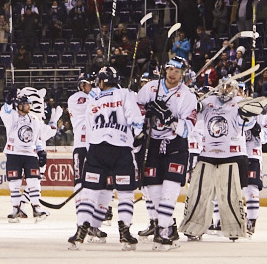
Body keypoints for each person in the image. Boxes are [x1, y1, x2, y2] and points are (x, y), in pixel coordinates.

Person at [67, 66, 144, 251]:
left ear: (101, 82)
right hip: (121, 149)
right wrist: (137, 138)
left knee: (89, 193)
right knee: (125, 194)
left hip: (96, 150)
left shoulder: (92, 101)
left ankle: (80, 232)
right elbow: (136, 121)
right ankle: (125, 233)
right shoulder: (126, 94)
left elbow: (89, 128)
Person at [180, 77, 257, 242]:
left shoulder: (240, 102)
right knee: (198, 192)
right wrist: (195, 102)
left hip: (229, 155)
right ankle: (194, 227)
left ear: (235, 88)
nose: (225, 89)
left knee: (230, 194)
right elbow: (194, 115)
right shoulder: (209, 100)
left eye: (229, 86)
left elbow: (249, 125)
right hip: (207, 153)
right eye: (223, 86)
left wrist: (248, 114)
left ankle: (234, 228)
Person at [135, 56, 198, 247]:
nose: (172, 74)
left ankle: (162, 230)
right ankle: (169, 225)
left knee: (170, 191)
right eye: (170, 69)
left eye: (177, 71)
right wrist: (146, 112)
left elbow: (189, 129)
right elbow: (134, 112)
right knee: (153, 191)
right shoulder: (150, 89)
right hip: (152, 144)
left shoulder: (188, 96)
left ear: (182, 74)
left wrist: (170, 119)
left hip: (176, 146)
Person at [0, 89, 51, 223]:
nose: (29, 106)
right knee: (14, 184)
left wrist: (41, 151)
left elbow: (37, 138)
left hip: (30, 154)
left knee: (34, 182)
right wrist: (8, 102)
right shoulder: (11, 116)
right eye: (26, 104)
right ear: (19, 105)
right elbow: (4, 111)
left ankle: (36, 208)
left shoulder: (34, 119)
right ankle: (16, 209)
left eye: (29, 104)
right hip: (13, 154)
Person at [66, 73, 105, 241]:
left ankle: (94, 224)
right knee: (80, 183)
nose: (93, 86)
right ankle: (81, 223)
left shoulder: (93, 96)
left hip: (96, 145)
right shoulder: (77, 98)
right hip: (82, 146)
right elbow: (93, 103)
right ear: (82, 85)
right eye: (90, 84)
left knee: (97, 185)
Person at [243, 98, 267, 235]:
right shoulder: (232, 107)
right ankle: (220, 221)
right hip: (233, 153)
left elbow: (266, 137)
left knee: (251, 187)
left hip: (252, 154)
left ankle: (251, 221)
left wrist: (258, 131)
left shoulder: (260, 112)